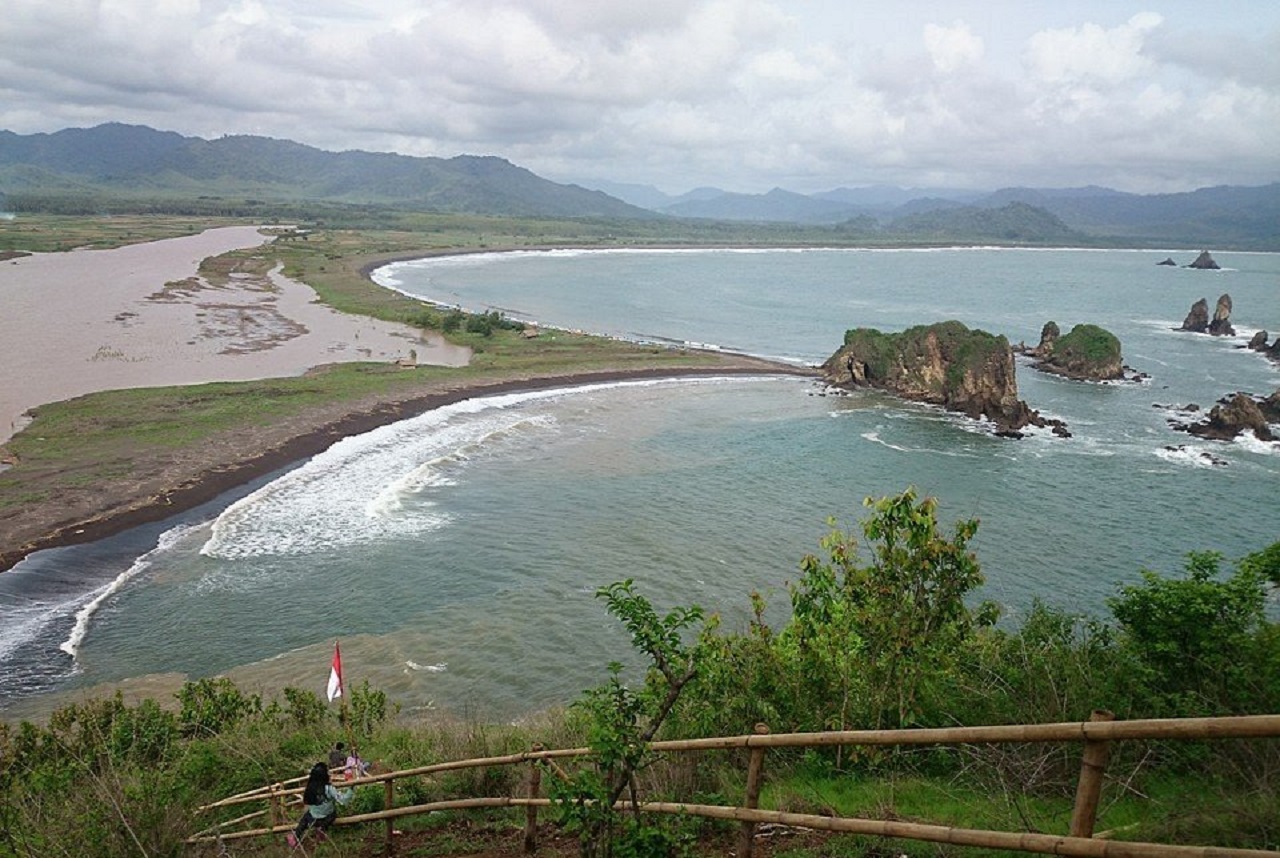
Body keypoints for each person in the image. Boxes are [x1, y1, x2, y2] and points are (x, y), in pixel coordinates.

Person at [288, 762, 352, 848]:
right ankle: (322, 829)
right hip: (326, 818)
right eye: (327, 772)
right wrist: (351, 788)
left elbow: (306, 802)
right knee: (332, 814)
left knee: (304, 819)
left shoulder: (310, 788)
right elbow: (343, 800)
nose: (329, 774)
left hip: (312, 818)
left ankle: (296, 836)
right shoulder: (328, 789)